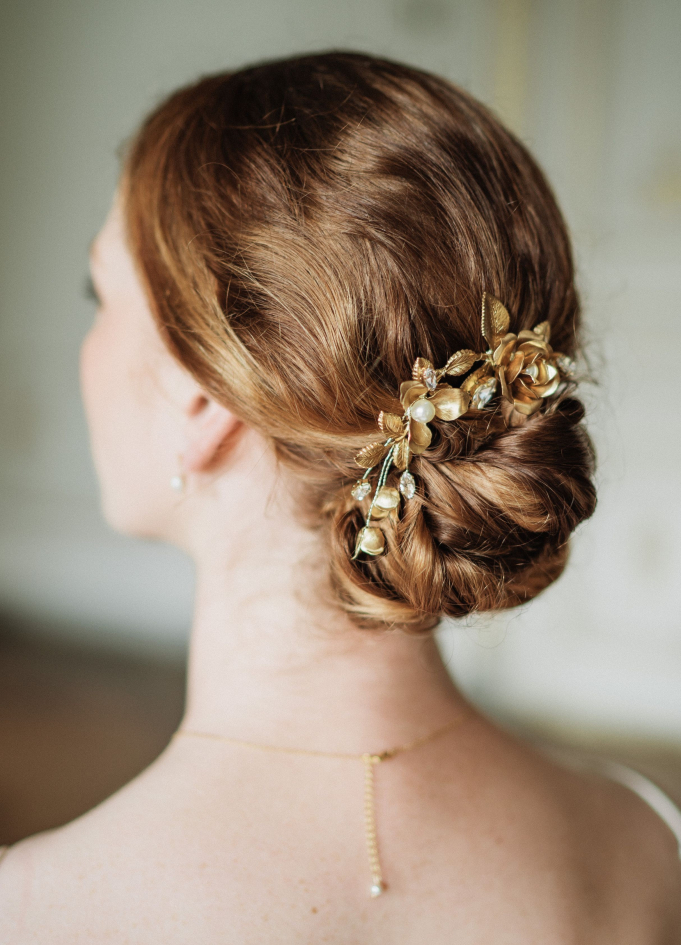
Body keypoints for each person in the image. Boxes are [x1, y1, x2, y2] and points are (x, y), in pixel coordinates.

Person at [0, 52, 679, 943]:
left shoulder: (42, 908)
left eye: (102, 293)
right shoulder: (642, 840)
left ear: (199, 398)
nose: (88, 339)